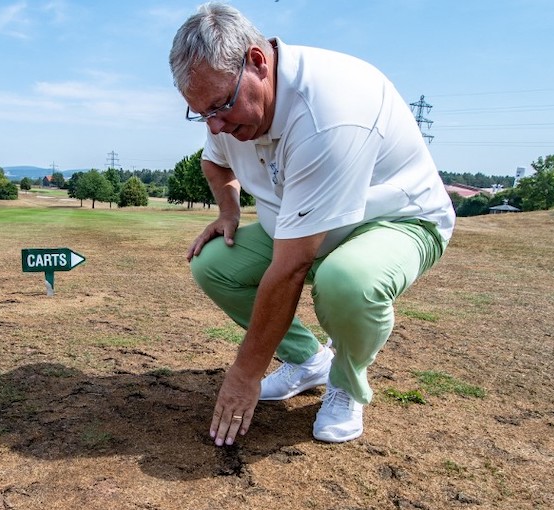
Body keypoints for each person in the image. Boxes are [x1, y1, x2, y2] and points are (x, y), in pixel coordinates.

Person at [169, 3, 455, 447]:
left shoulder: (331, 109)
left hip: (393, 219)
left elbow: (292, 267)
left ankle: (345, 381)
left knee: (347, 282)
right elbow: (214, 162)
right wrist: (229, 213)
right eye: (201, 113)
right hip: (296, 222)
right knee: (213, 263)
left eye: (221, 107)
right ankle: (307, 362)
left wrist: (245, 373)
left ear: (258, 63)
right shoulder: (224, 111)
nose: (216, 125)